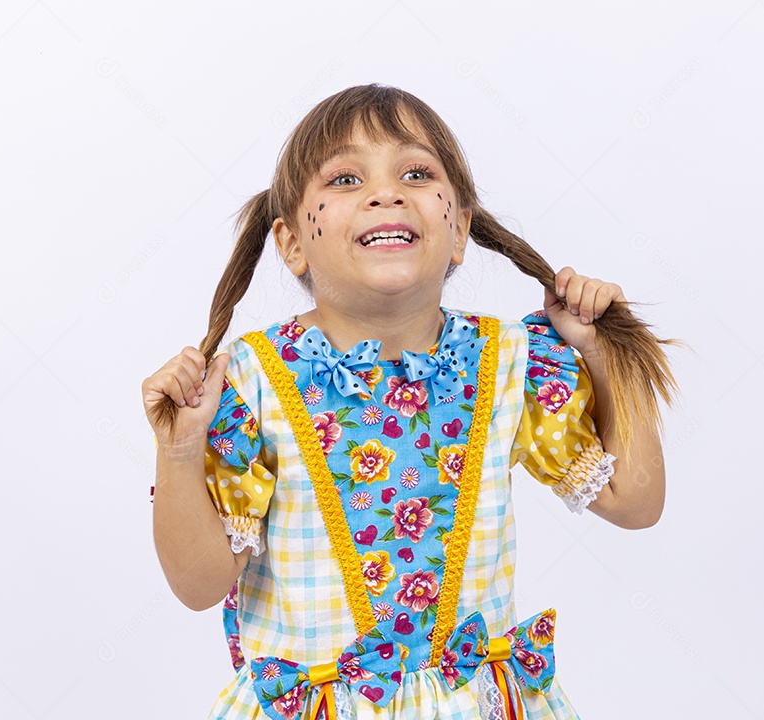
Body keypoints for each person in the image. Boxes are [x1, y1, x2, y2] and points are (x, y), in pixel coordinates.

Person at [142, 83, 681, 720]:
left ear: (459, 231)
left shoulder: (509, 364)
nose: (386, 192)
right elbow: (199, 584)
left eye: (417, 173)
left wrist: (603, 353)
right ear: (291, 243)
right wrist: (179, 451)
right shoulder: (250, 384)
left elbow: (637, 503)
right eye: (345, 178)